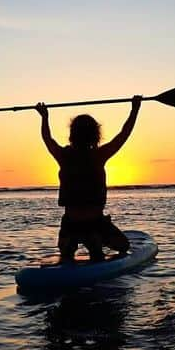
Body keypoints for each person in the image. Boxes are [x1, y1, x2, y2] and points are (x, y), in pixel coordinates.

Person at [36, 97, 142, 262]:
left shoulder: (63, 156)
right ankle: (93, 243)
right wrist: (135, 109)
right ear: (96, 135)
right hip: (95, 223)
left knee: (68, 255)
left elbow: (47, 138)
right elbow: (123, 135)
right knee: (123, 247)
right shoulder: (99, 155)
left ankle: (76, 246)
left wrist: (44, 117)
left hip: (71, 223)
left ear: (72, 134)